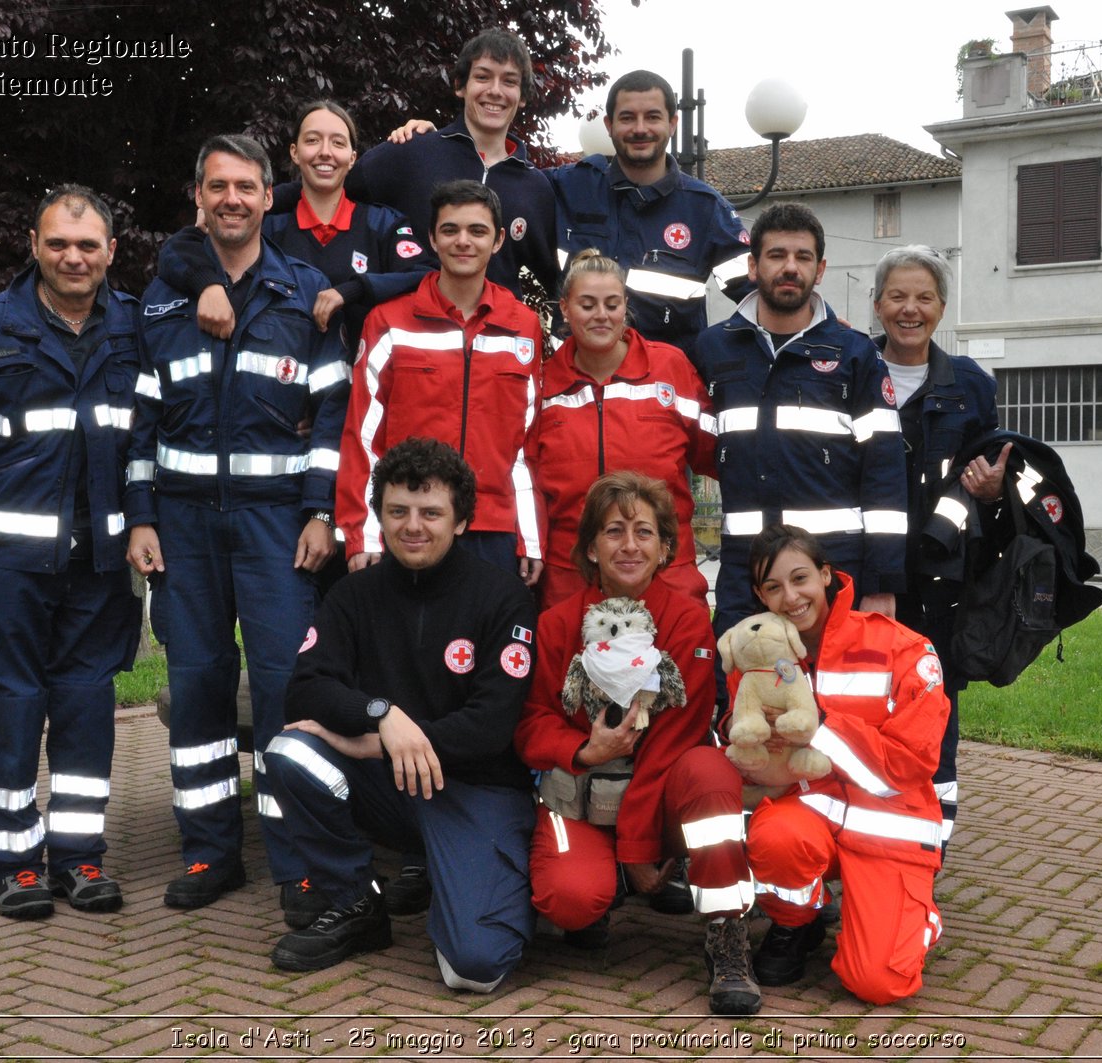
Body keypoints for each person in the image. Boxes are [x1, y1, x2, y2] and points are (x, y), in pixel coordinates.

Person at [125, 135, 349, 921]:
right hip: (182, 527)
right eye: (217, 185)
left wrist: (321, 510)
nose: (232, 199)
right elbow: (139, 422)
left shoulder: (305, 293)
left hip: (278, 529)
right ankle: (210, 849)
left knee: (287, 691)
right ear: (198, 197)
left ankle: (297, 860)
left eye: (246, 187)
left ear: (266, 198)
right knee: (197, 690)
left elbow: (333, 415)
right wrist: (141, 517)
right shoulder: (161, 302)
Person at [0, 184, 141, 918]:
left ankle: (79, 857)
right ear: (34, 246)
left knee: (87, 708)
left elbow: (147, 444)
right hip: (9, 567)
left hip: (99, 568)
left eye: (87, 245)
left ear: (111, 251)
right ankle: (13, 861)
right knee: (13, 707)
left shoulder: (133, 331)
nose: (73, 257)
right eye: (58, 244)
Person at [265, 438, 538, 993]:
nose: (413, 526)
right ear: (381, 517)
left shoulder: (503, 597)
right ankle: (356, 903)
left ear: (461, 521)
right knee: (289, 751)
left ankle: (471, 884)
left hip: (476, 791)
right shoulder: (351, 595)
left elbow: (491, 726)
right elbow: (305, 691)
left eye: (431, 512)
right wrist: (381, 715)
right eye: (398, 512)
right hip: (392, 789)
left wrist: (384, 742)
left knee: (474, 968)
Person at [514, 472, 761, 1016]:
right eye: (613, 531)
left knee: (710, 773)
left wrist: (640, 844)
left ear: (666, 547)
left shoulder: (688, 619)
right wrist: (584, 751)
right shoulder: (557, 624)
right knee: (571, 900)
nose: (629, 545)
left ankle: (726, 934)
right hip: (583, 792)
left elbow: (676, 737)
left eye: (644, 532)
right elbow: (531, 725)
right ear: (590, 549)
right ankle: (609, 880)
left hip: (660, 793)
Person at [731, 524, 948, 1005]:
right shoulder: (756, 660)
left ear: (827, 575)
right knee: (774, 836)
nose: (790, 597)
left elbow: (911, 762)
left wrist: (820, 726)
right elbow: (756, 763)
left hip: (889, 822)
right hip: (809, 816)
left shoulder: (902, 648)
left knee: (877, 984)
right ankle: (796, 923)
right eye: (773, 587)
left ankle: (917, 919)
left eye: (800, 578)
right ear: (759, 595)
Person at [692, 202, 908, 640]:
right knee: (738, 695)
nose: (790, 267)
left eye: (803, 257)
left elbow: (885, 471)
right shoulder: (713, 350)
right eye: (776, 256)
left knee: (835, 698)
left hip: (833, 567)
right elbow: (693, 450)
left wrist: (883, 583)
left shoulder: (855, 353)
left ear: (821, 268)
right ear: (753, 265)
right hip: (745, 567)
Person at [336, 179, 545, 584]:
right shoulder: (388, 322)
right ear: (432, 238)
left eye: (477, 231)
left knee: (488, 646)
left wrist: (531, 540)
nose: (463, 241)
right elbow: (362, 437)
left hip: (493, 529)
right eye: (450, 230)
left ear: (499, 240)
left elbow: (527, 443)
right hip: (408, 526)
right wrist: (363, 535)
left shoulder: (523, 326)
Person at [872, 244, 1007, 849]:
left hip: (938, 583)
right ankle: (865, 835)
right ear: (877, 305)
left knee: (934, 707)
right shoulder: (850, 371)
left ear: (942, 308)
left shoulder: (972, 384)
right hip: (867, 578)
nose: (910, 309)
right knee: (864, 704)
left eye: (923, 297)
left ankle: (930, 842)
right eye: (898, 296)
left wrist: (994, 489)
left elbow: (996, 477)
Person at [157, 99, 435, 348]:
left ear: (352, 158)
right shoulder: (265, 227)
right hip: (279, 392)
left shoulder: (383, 224)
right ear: (294, 152)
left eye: (338, 143)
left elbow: (428, 276)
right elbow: (178, 251)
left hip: (367, 390)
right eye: (312, 140)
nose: (325, 152)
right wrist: (208, 284)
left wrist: (356, 288)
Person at [532, 250, 715, 610]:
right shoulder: (542, 383)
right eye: (587, 305)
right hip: (572, 578)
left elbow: (717, 453)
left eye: (612, 304)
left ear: (625, 306)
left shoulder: (670, 369)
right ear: (565, 309)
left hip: (665, 573)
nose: (601, 315)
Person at [547, 69, 752, 359]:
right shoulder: (569, 188)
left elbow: (762, 292)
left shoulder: (705, 210)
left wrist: (821, 325)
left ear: (672, 124)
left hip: (666, 391)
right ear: (609, 125)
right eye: (627, 117)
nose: (640, 129)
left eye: (653, 117)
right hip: (577, 390)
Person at [344, 27, 555, 300]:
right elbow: (330, 195)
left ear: (523, 96)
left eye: (509, 81)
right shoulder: (411, 151)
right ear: (460, 86)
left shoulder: (535, 187)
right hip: (408, 333)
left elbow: (559, 281)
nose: (495, 91)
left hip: (495, 338)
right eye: (482, 77)